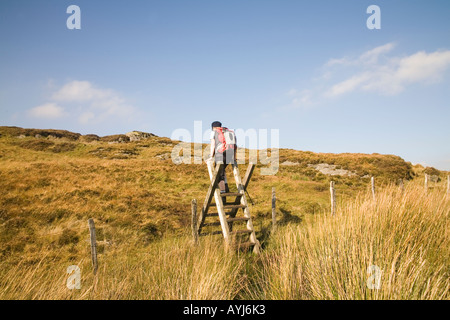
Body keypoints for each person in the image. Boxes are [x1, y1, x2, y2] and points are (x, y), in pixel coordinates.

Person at [208, 121, 237, 193]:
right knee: (222, 170)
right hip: (230, 154)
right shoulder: (229, 132)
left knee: (219, 174)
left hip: (221, 154)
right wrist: (234, 156)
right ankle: (226, 188)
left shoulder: (214, 132)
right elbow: (235, 145)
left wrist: (211, 156)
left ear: (213, 127)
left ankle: (223, 192)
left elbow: (213, 145)